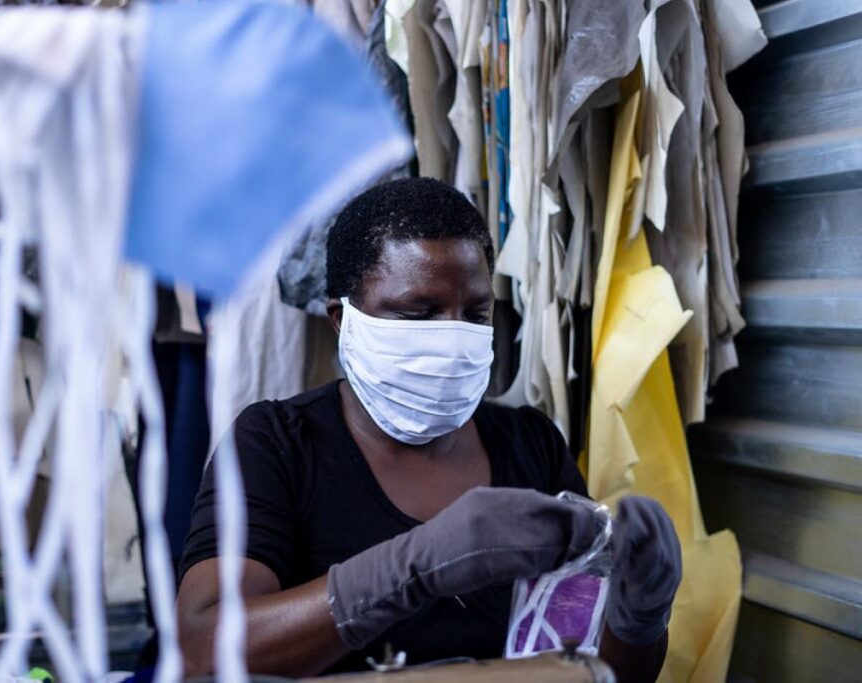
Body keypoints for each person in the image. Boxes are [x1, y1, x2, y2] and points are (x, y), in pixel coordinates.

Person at [176, 178, 682, 680]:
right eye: (419, 313)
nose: (452, 335)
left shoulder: (531, 445)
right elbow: (204, 649)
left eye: (475, 313)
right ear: (341, 319)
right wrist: (413, 567)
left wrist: (638, 617)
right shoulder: (277, 444)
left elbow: (592, 669)